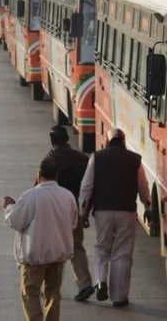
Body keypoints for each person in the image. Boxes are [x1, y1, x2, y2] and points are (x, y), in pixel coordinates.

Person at [78, 128, 151, 308]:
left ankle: (101, 281)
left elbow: (86, 187)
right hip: (126, 211)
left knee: (102, 248)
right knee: (122, 253)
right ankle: (119, 297)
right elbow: (143, 187)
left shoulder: (97, 157)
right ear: (123, 140)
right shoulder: (135, 160)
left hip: (102, 211)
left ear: (107, 140)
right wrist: (148, 206)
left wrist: (83, 213)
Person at [3, 158, 78, 321]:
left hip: (34, 256)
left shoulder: (31, 196)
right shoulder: (68, 196)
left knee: (30, 293)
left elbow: (15, 221)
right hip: (58, 254)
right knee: (53, 294)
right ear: (56, 175)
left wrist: (9, 207)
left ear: (38, 174)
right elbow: (73, 222)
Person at [44, 125, 94, 302]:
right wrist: (86, 212)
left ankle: (51, 286)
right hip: (75, 210)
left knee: (53, 249)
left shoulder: (49, 160)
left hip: (54, 212)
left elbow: (40, 186)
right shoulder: (82, 158)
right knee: (76, 247)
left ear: (52, 140)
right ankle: (85, 284)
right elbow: (89, 187)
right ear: (66, 138)